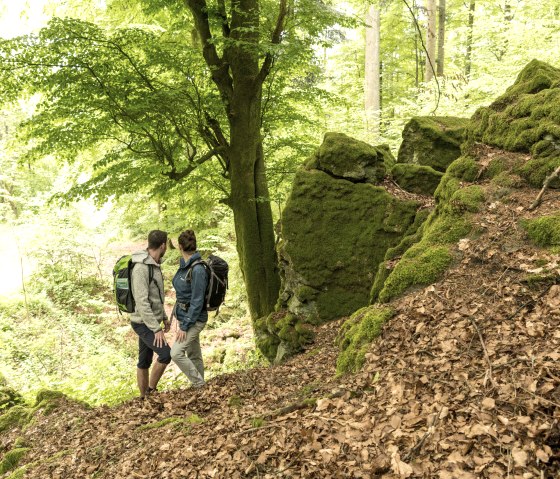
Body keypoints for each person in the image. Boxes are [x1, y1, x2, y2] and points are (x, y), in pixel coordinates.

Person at [130, 229, 171, 399]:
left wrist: (164, 318)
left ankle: (143, 398)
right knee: (166, 354)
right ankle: (150, 392)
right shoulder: (141, 268)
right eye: (166, 245)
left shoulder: (154, 264)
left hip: (151, 320)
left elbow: (156, 296)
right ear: (162, 246)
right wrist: (156, 328)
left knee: (144, 360)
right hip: (142, 322)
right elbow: (142, 302)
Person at [171, 229, 208, 388]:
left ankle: (199, 384)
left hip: (194, 319)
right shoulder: (185, 266)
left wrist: (185, 326)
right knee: (193, 354)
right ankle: (199, 387)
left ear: (180, 246)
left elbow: (197, 301)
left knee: (176, 353)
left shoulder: (197, 269)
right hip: (185, 317)